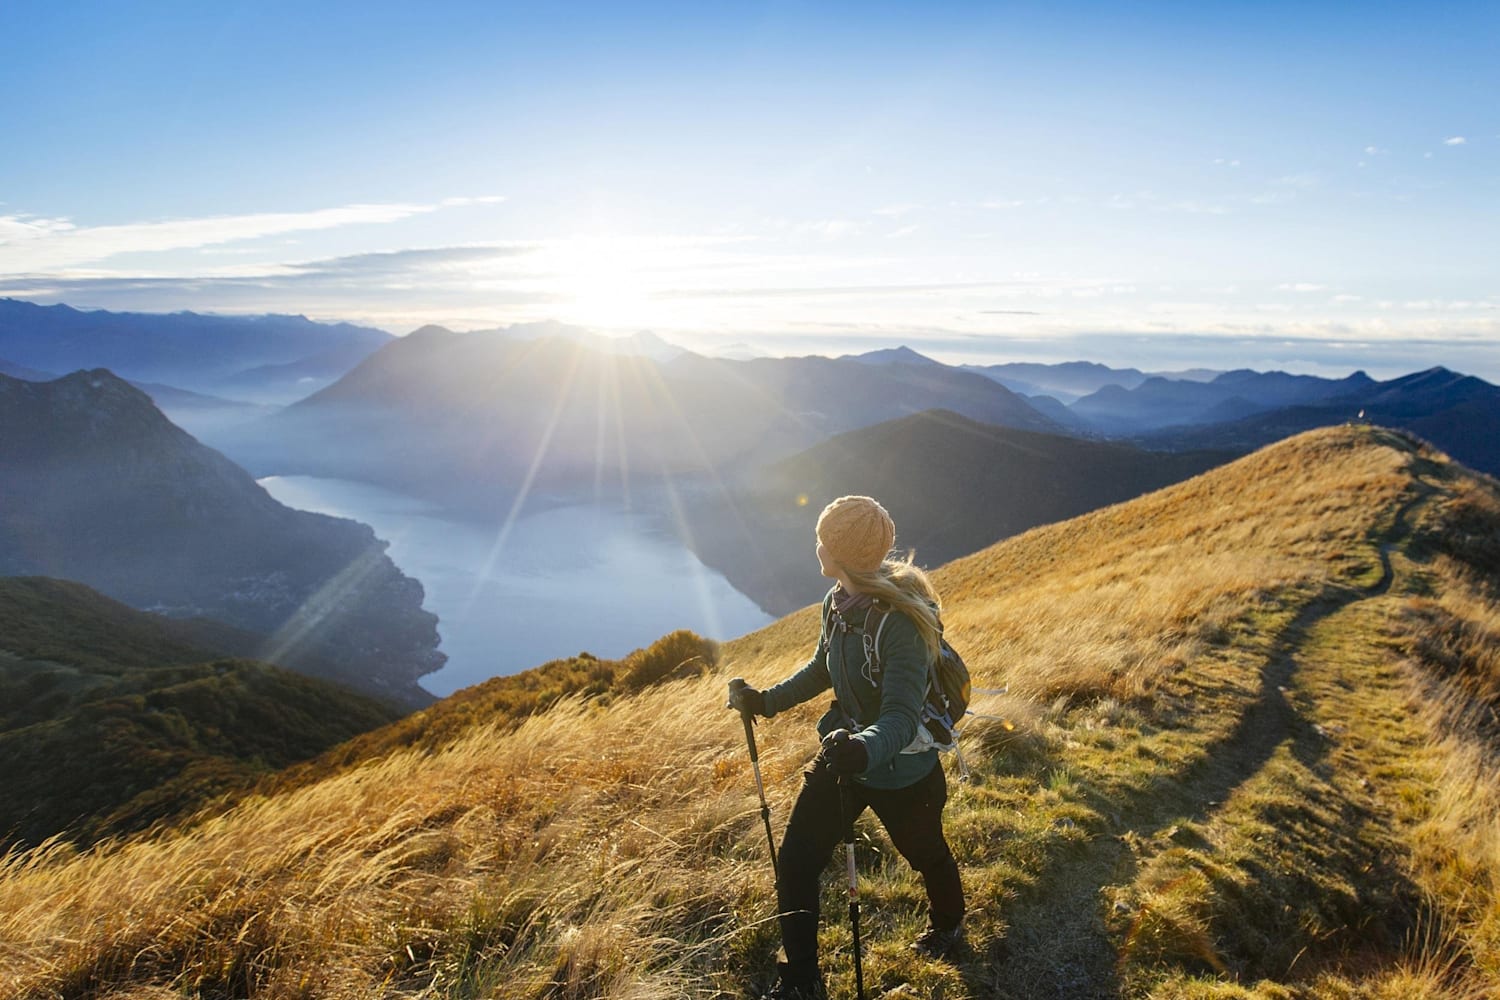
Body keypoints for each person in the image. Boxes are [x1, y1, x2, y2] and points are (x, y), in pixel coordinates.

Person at [728, 495, 966, 1000]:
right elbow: (822, 667)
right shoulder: (836, 602)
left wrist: (864, 749)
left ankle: (948, 928)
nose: (816, 545)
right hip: (846, 755)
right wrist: (765, 702)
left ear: (842, 552)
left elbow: (901, 717)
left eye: (824, 539)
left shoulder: (898, 623)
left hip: (901, 769)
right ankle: (802, 979)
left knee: (925, 854)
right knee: (795, 861)